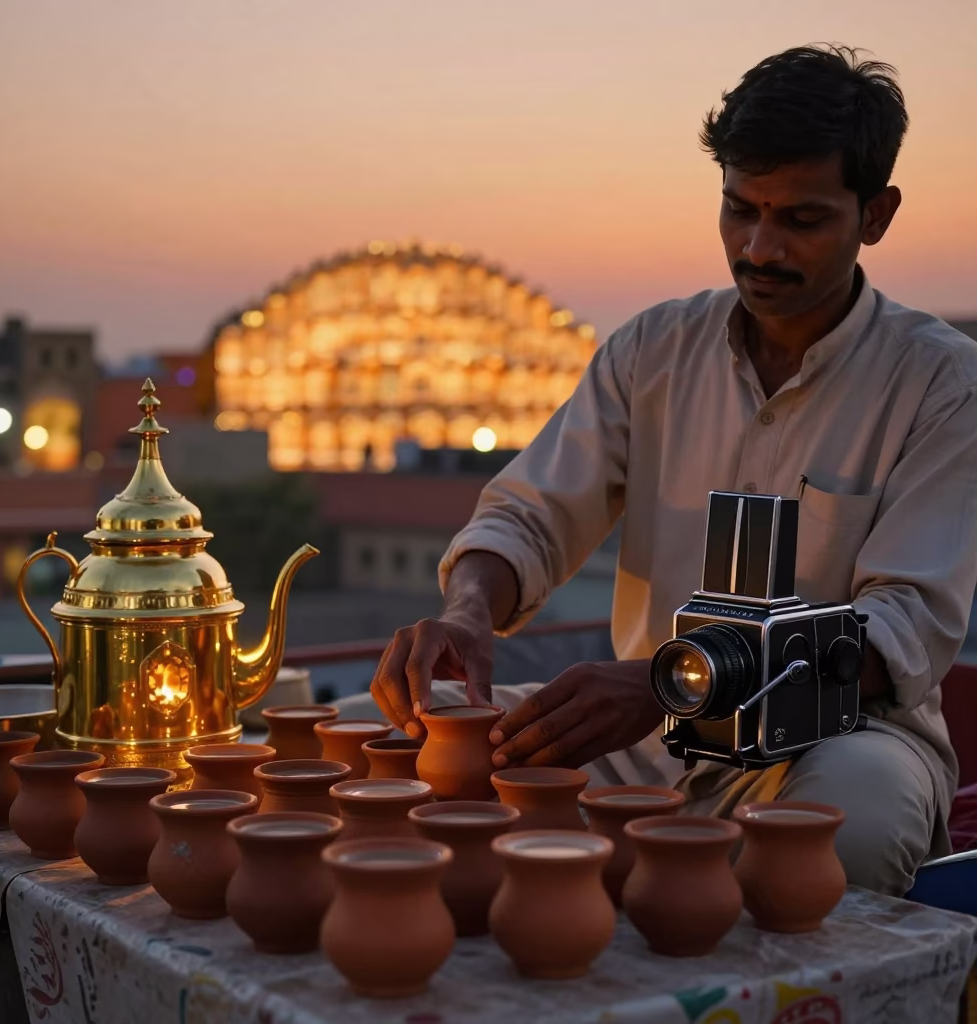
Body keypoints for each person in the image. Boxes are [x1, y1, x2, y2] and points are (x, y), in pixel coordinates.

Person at [366, 44, 977, 896]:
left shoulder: (941, 383)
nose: (759, 248)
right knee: (383, 750)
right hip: (645, 738)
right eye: (739, 210)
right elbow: (530, 516)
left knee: (845, 833)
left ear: (876, 214)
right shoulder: (655, 349)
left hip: (840, 739)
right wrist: (469, 610)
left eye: (801, 220)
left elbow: (895, 633)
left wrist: (672, 684)